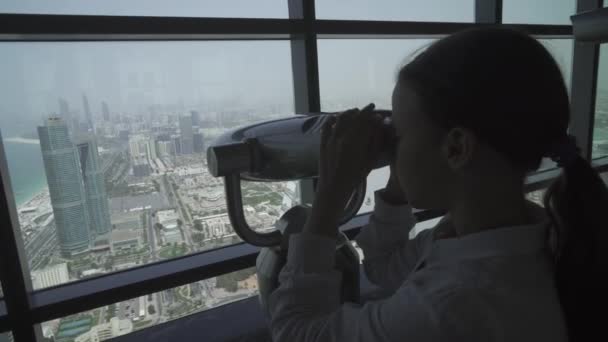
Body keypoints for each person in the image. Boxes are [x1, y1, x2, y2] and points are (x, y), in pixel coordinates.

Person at [267, 27, 608, 341]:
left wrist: (328, 197)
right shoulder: (525, 232)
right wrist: (398, 187)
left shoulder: (451, 305)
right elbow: (385, 267)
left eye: (398, 134)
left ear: (457, 148)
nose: (391, 150)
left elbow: (294, 330)